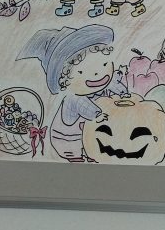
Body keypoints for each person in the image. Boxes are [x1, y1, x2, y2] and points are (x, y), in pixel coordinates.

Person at [17, 24, 128, 162]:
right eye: (81, 72)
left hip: (91, 137)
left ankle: (92, 152)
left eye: (104, 64)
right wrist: (97, 115)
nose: (97, 74)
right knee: (79, 152)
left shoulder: (102, 87)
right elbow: (84, 106)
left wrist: (122, 92)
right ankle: (77, 157)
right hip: (69, 140)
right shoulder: (73, 99)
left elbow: (112, 84)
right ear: (65, 79)